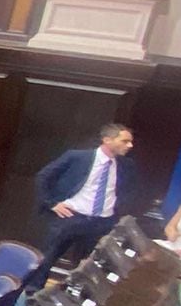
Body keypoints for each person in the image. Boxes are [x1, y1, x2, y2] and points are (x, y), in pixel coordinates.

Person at [26, 123, 135, 290]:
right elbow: (44, 176)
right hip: (70, 217)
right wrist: (51, 203)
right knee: (45, 259)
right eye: (125, 141)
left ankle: (72, 300)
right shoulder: (78, 157)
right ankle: (28, 297)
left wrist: (116, 213)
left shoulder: (126, 165)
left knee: (87, 267)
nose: (130, 145)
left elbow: (127, 190)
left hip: (101, 223)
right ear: (107, 140)